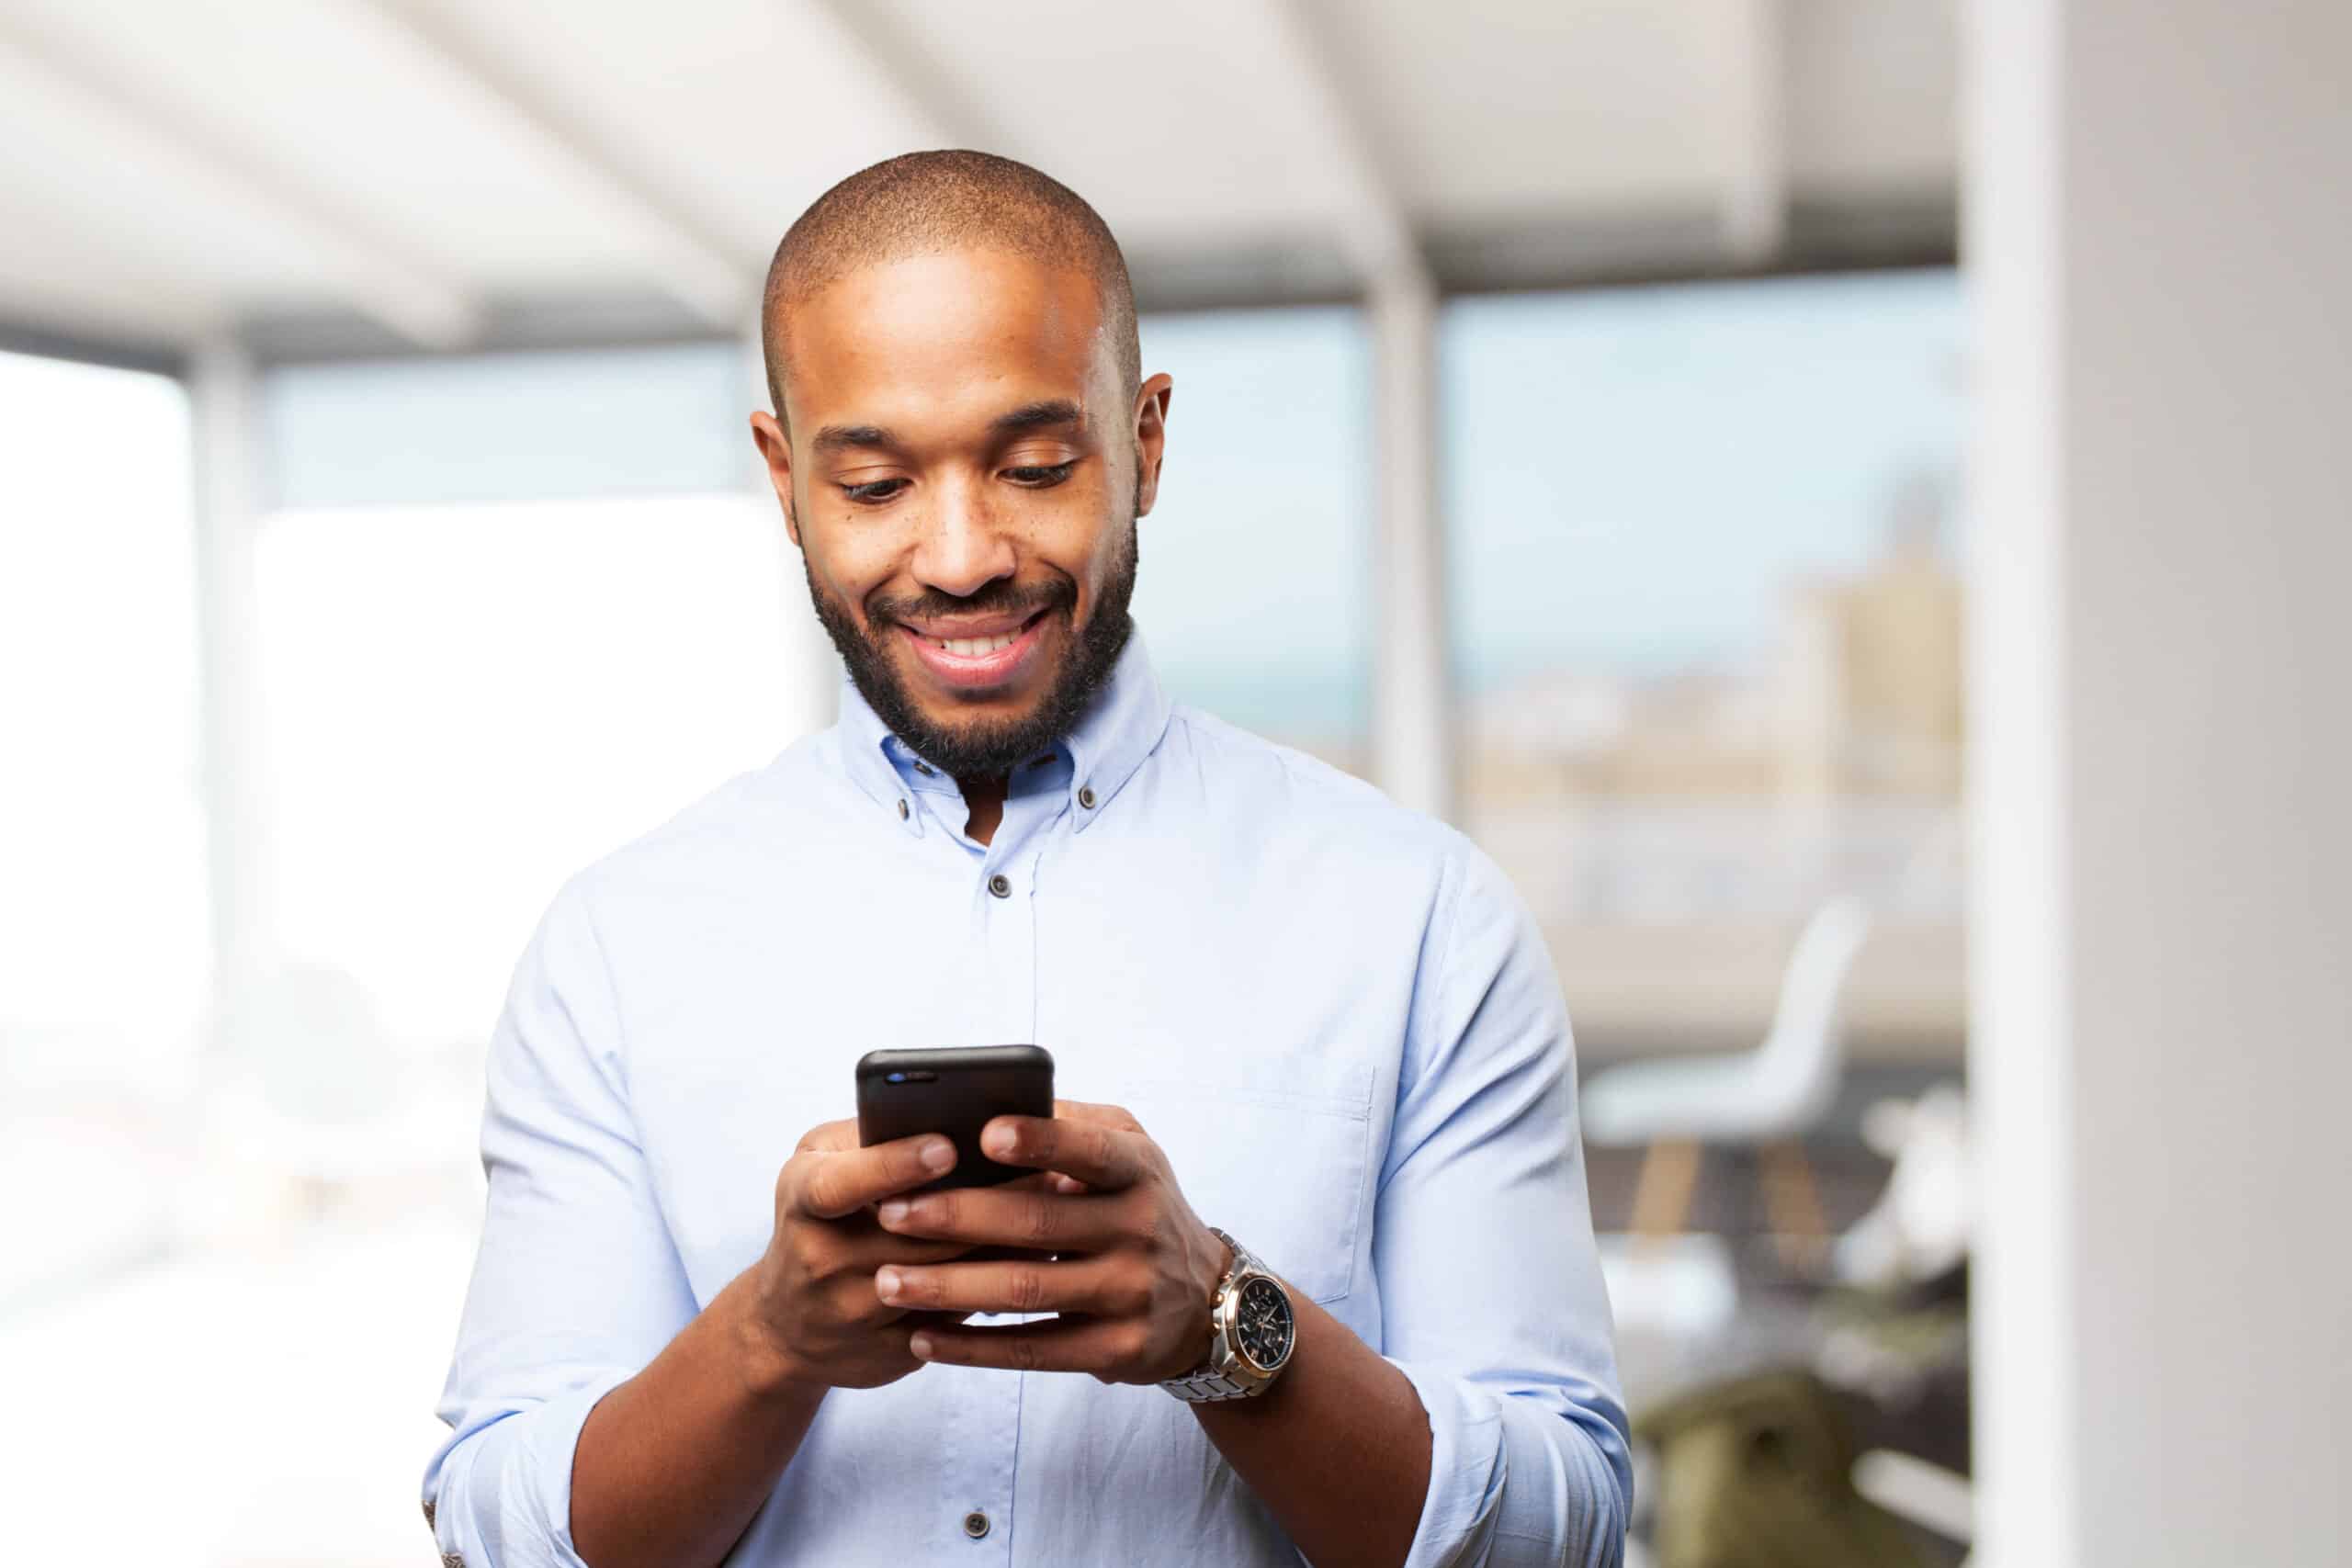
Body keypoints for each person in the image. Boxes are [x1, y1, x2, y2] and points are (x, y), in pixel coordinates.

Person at [422, 150, 1628, 1568]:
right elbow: (498, 1530)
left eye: (1036, 466)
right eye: (873, 482)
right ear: (784, 476)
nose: (960, 555)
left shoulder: (1421, 918)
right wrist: (766, 1341)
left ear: (1148, 444)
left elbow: (1570, 1531)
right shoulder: (616, 946)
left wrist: (1225, 1329)